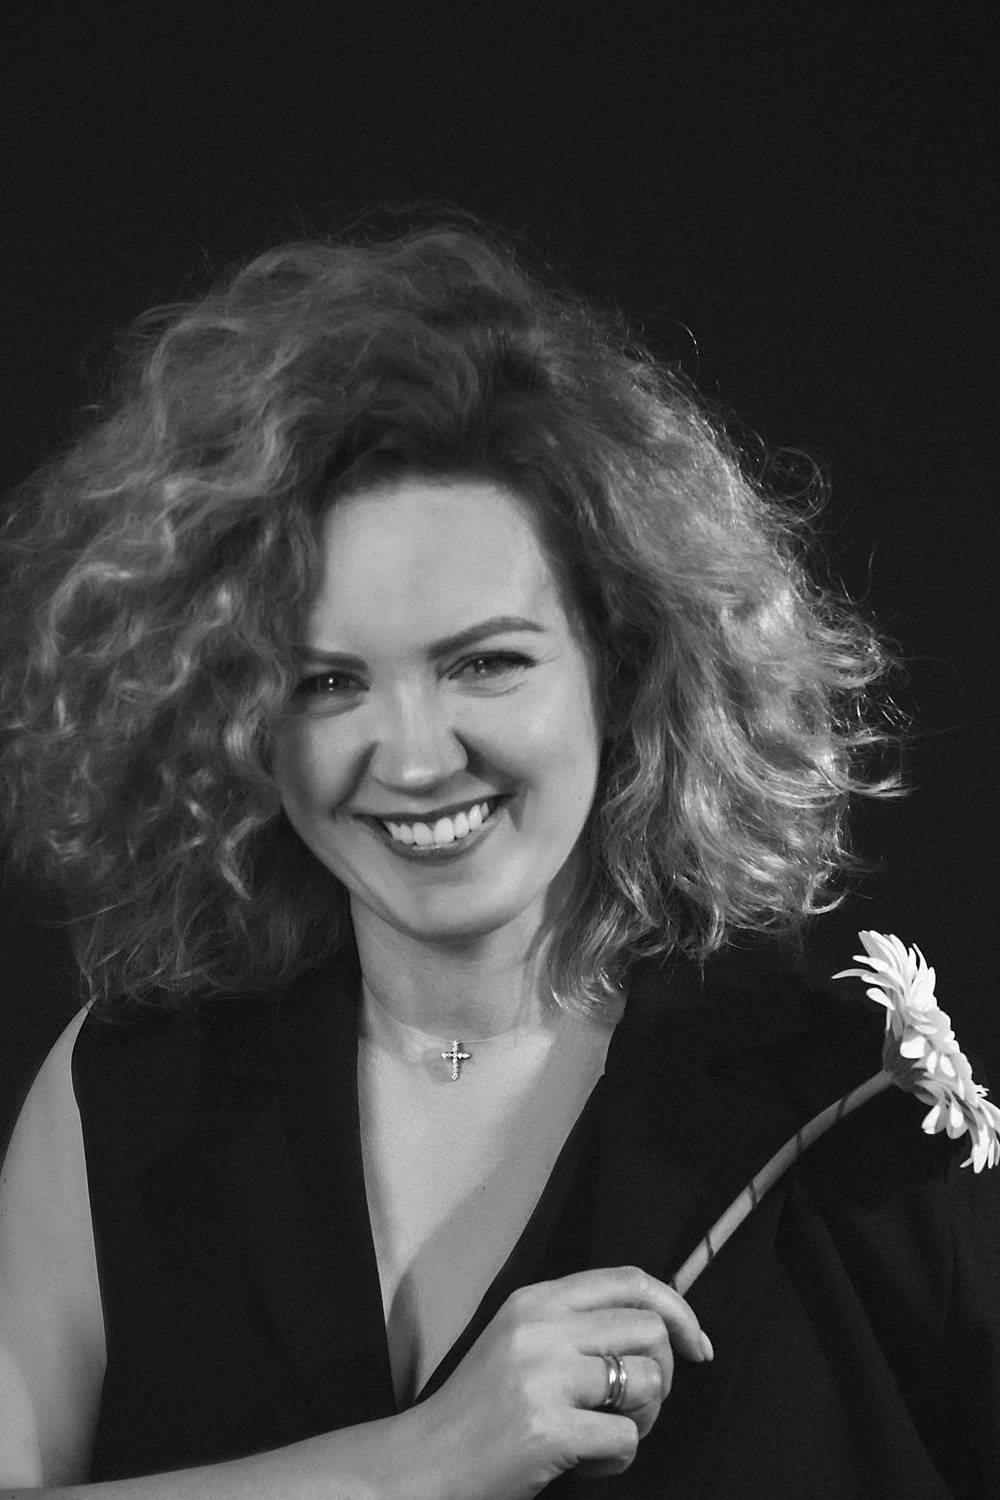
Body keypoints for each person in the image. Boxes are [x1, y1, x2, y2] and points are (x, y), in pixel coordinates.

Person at [0, 220, 996, 1498]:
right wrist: (412, 1466)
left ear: (622, 667)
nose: (415, 758)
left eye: (485, 662)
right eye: (327, 682)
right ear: (235, 713)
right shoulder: (123, 1091)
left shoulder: (865, 1110)